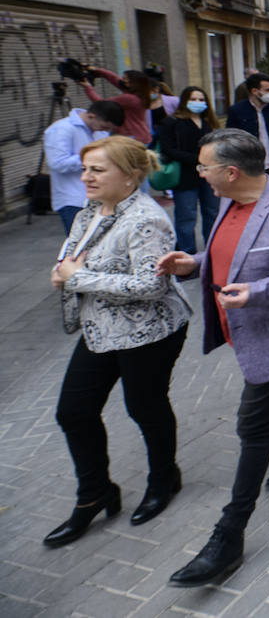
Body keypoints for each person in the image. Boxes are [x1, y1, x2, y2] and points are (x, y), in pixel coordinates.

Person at [157, 129, 269, 587]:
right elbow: (231, 251)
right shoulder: (230, 198)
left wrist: (258, 291)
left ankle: (228, 536)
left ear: (231, 172)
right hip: (247, 331)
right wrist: (194, 263)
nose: (200, 175)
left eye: (204, 168)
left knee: (251, 427)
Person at [43, 137, 192, 548]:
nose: (86, 176)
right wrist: (64, 270)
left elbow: (151, 285)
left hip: (149, 331)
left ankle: (164, 478)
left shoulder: (146, 219)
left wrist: (76, 277)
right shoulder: (89, 212)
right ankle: (95, 494)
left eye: (97, 169)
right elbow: (72, 258)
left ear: (130, 176)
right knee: (73, 412)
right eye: (85, 168)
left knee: (144, 406)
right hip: (100, 328)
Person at [44, 101, 123, 233]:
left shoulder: (99, 131)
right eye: (103, 127)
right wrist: (93, 158)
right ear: (91, 116)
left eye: (108, 129)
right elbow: (58, 163)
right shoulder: (61, 129)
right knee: (81, 247)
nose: (104, 131)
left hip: (101, 197)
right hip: (74, 200)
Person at [159, 87, 222, 253]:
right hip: (184, 176)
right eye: (193, 99)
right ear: (185, 101)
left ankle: (212, 251)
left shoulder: (209, 121)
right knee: (187, 216)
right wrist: (198, 159)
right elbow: (168, 149)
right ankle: (187, 253)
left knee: (212, 213)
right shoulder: (172, 122)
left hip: (209, 175)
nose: (198, 103)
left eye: (201, 100)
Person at [80, 66, 154, 144]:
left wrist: (88, 87)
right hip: (139, 136)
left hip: (132, 138)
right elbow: (115, 79)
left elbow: (102, 103)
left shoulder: (130, 99)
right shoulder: (140, 95)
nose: (122, 80)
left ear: (132, 83)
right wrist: (98, 71)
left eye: (125, 79)